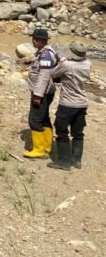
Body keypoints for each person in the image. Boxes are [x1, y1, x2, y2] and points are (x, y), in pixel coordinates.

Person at [47, 42, 90, 171]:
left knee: (61, 131)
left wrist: (62, 61)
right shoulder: (88, 63)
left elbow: (53, 73)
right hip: (82, 103)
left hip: (67, 103)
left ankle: (63, 162)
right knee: (78, 133)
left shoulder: (67, 65)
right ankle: (76, 160)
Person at [23, 28, 57, 159]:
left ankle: (39, 150)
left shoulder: (46, 55)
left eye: (36, 39)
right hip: (44, 92)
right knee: (44, 118)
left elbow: (44, 76)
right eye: (33, 38)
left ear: (43, 40)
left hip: (42, 93)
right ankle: (47, 145)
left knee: (35, 119)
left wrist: (38, 95)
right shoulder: (42, 52)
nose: (33, 41)